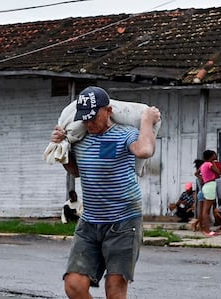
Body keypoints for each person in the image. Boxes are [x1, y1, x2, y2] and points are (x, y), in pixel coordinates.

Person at [50, 86, 161, 298]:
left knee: (114, 289)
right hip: (90, 222)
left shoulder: (125, 134)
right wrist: (61, 146)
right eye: (85, 119)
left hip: (124, 222)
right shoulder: (79, 139)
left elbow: (145, 150)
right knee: (74, 285)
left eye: (93, 118)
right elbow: (75, 171)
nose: (88, 123)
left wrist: (147, 120)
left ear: (108, 111)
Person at [199, 150, 221, 237]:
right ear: (210, 156)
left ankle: (205, 229)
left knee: (206, 210)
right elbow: (218, 172)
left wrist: (203, 178)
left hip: (206, 185)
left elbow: (197, 173)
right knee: (207, 210)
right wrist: (213, 163)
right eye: (214, 155)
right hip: (210, 185)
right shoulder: (209, 164)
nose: (215, 155)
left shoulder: (203, 165)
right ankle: (207, 230)